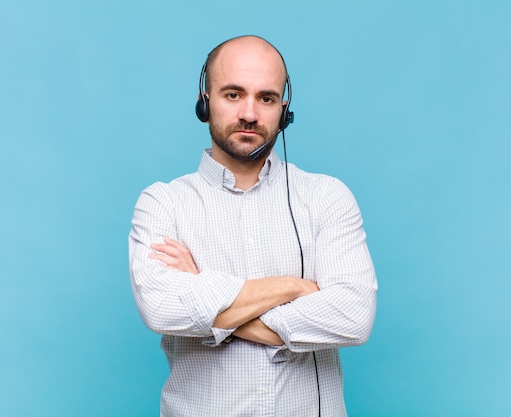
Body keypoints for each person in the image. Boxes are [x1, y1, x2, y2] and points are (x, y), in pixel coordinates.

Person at [129, 35, 377, 417]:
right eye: (233, 94)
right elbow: (161, 310)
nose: (249, 113)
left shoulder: (327, 197)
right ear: (204, 100)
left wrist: (204, 290)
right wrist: (291, 287)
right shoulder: (163, 203)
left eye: (266, 98)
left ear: (284, 110)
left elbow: (353, 318)